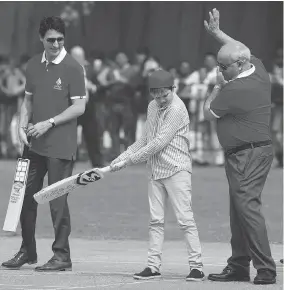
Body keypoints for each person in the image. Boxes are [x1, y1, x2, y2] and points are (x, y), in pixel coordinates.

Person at [1, 16, 86, 272]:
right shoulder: (32, 66)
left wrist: (48, 122)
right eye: (51, 40)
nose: (56, 44)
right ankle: (27, 250)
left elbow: (79, 107)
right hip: (34, 146)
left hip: (61, 146)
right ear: (41, 39)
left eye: (60, 39)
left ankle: (62, 256)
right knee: (26, 197)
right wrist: (20, 126)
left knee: (56, 200)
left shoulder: (73, 67)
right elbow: (27, 102)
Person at [203, 9, 276, 285]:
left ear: (240, 65)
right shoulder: (257, 69)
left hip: (248, 154)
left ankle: (265, 269)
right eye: (219, 67)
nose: (220, 71)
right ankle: (238, 265)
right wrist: (218, 34)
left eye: (224, 67)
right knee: (239, 209)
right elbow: (241, 49)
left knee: (246, 207)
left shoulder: (235, 89)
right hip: (248, 153)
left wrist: (216, 87)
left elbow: (208, 112)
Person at [110, 69, 204, 281]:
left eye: (165, 95)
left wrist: (129, 161)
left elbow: (158, 143)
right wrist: (121, 157)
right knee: (155, 221)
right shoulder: (152, 106)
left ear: (173, 89)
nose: (161, 99)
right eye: (156, 95)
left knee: (185, 220)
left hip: (177, 169)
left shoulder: (177, 108)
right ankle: (153, 266)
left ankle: (196, 266)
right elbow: (145, 139)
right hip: (155, 171)